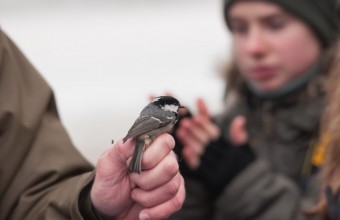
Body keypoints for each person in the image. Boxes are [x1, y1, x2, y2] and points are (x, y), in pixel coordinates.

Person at [169, 0, 339, 219]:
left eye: (276, 25)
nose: (253, 47)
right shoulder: (223, 132)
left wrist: (242, 183)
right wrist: (184, 182)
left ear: (322, 29)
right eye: (240, 28)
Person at [0, 28, 185, 220]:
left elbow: (31, 191)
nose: (177, 109)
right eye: (175, 106)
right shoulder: (165, 116)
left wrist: (90, 208)